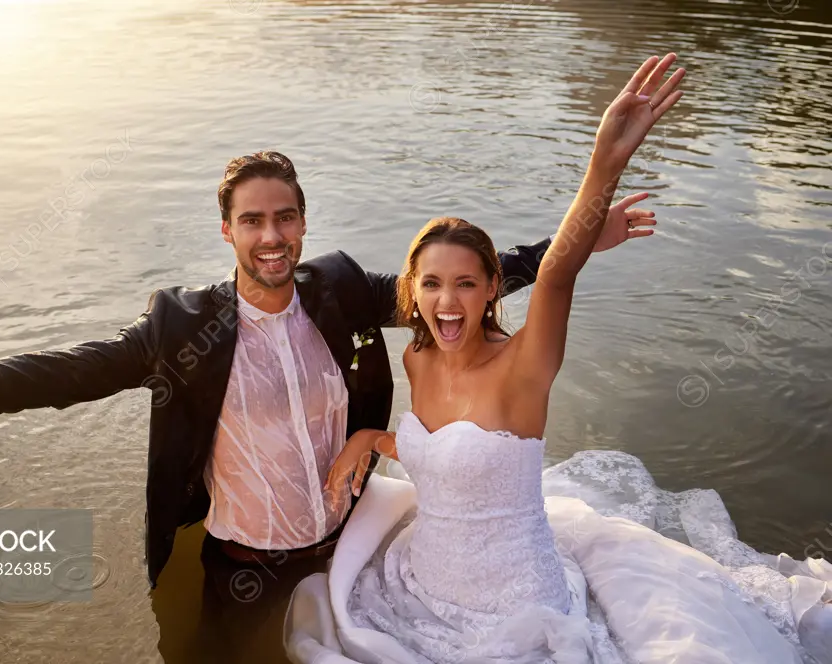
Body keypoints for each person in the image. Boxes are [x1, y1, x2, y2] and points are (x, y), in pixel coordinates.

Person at [0, 151, 657, 661]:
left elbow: (458, 285)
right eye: (253, 221)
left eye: (286, 218)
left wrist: (579, 243)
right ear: (227, 230)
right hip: (244, 567)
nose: (272, 236)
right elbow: (68, 373)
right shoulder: (181, 325)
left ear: (303, 224)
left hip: (347, 549)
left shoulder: (337, 292)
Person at [286, 53, 832, 664]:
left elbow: (556, 274)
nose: (447, 299)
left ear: (493, 287)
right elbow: (439, 453)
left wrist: (606, 160)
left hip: (518, 613)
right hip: (418, 586)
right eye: (433, 283)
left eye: (466, 283)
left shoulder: (525, 367)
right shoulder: (418, 358)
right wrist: (370, 438)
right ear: (413, 289)